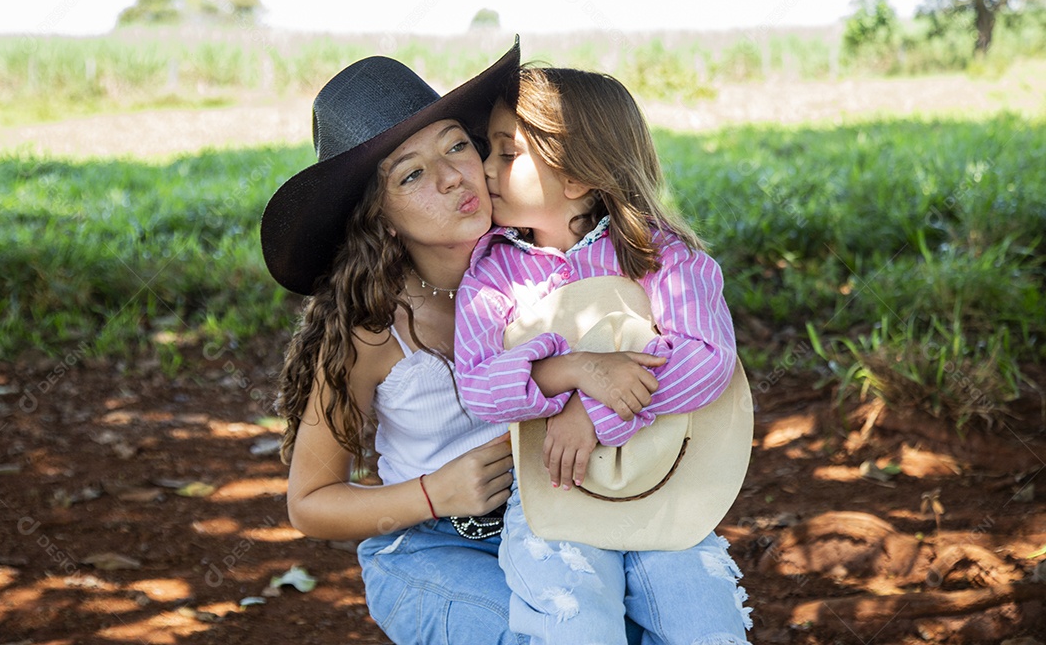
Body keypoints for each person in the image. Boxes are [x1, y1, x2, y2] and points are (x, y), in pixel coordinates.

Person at [454, 66, 753, 644]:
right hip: (556, 494)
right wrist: (571, 369)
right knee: (575, 621)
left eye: (505, 152)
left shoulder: (659, 257)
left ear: (575, 177)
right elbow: (478, 386)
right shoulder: (493, 276)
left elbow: (706, 357)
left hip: (666, 484)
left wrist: (592, 412)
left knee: (703, 620)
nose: (484, 168)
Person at [259, 40, 530, 645]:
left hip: (548, 526)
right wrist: (438, 492)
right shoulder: (369, 331)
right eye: (411, 175)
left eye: (457, 144)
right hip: (425, 549)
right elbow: (310, 503)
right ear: (378, 216)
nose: (451, 176)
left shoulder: (539, 266)